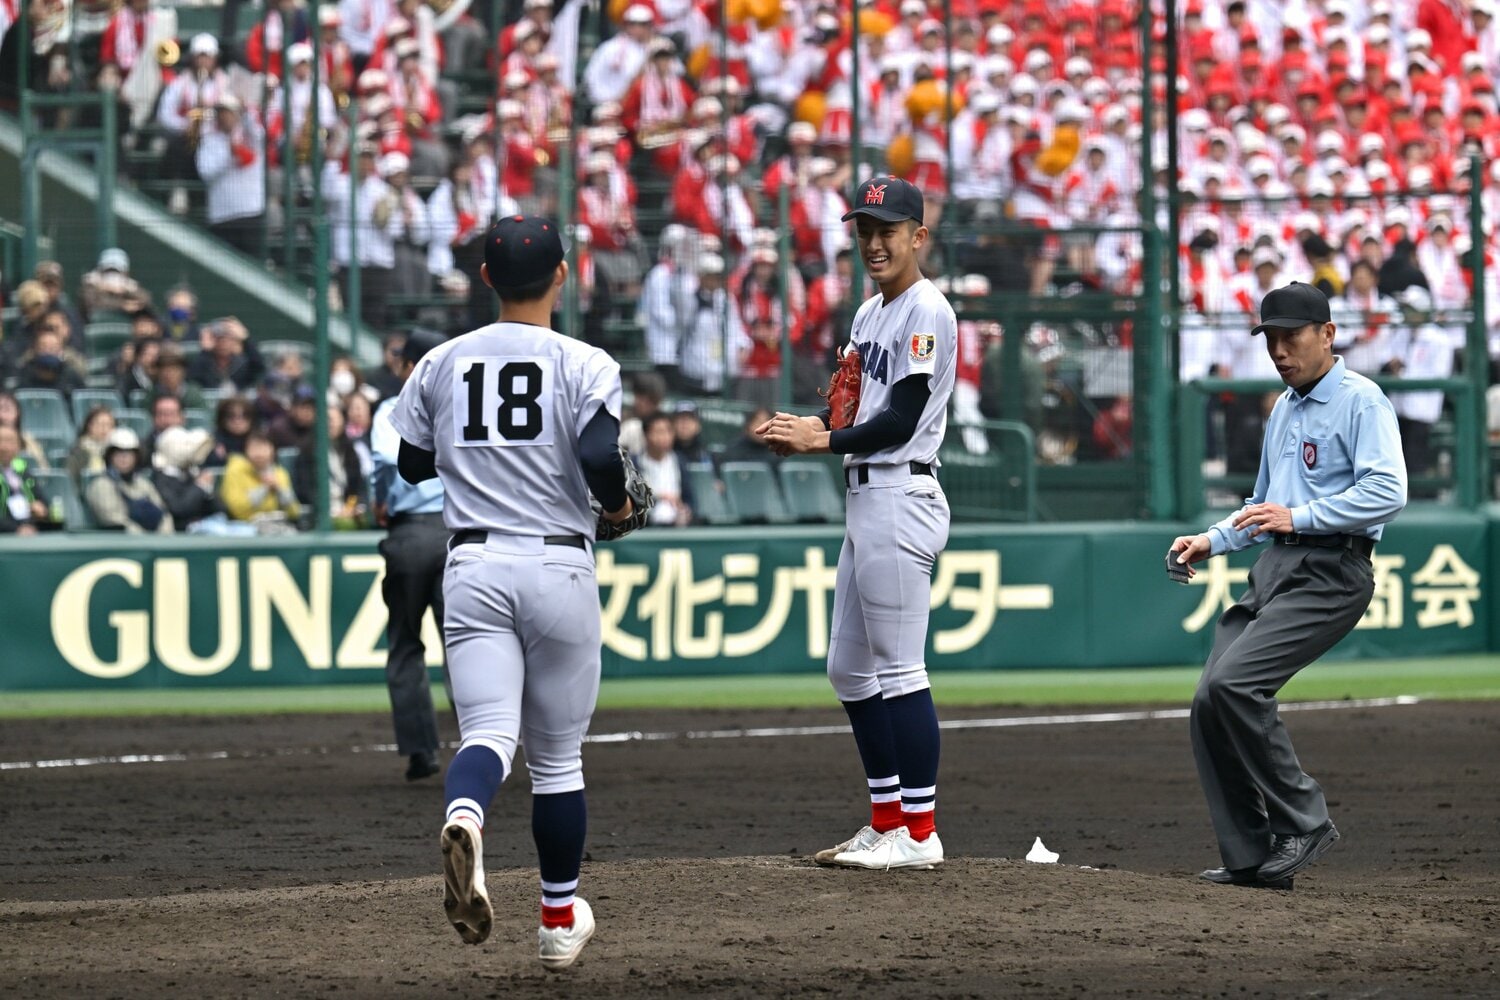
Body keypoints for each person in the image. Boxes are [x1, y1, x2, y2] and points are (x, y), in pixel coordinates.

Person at [390, 214, 639, 969]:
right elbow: (600, 453)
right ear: (563, 274)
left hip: (474, 564)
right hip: (558, 561)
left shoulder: (441, 361)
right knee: (557, 761)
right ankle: (558, 924)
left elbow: (409, 464)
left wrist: (478, 457)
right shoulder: (585, 361)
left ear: (486, 278)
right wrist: (616, 507)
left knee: (489, 736)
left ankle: (466, 814)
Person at [1169, 282, 1408, 891]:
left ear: (1327, 334)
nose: (1279, 350)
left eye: (1291, 336)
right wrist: (1211, 539)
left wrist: (1298, 517)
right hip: (1277, 566)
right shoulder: (1283, 408)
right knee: (1209, 702)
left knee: (1235, 684)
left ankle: (1304, 820)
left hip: (1333, 570)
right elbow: (1262, 505)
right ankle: (1250, 854)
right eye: (1270, 338)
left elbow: (1389, 490)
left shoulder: (1362, 400)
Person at [757, 177, 957, 871]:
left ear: (917, 237)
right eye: (865, 229)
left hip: (901, 491)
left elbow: (899, 419)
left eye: (888, 230)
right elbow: (852, 412)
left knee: (900, 669)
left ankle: (920, 833)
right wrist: (810, 425)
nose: (874, 242)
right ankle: (885, 821)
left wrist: (821, 442)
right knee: (849, 669)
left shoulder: (926, 309)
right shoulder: (871, 313)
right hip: (867, 497)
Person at [370, 329, 450, 782]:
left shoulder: (391, 409)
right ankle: (486, 743)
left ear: (406, 365)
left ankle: (422, 752)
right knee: (465, 644)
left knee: (405, 643)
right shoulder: (461, 405)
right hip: (458, 531)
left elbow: (386, 462)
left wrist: (380, 497)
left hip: (410, 532)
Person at [85, 427, 174, 534]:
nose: (124, 458)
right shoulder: (101, 485)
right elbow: (112, 519)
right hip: (120, 541)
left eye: (129, 453)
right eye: (118, 453)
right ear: (109, 456)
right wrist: (143, 538)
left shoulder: (144, 484)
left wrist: (164, 536)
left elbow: (163, 513)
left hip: (153, 540)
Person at [221, 430, 301, 526]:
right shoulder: (235, 470)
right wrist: (265, 489)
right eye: (254, 448)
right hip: (244, 527)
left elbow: (294, 512)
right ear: (246, 450)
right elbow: (237, 510)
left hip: (277, 525)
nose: (259, 453)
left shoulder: (279, 473)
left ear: (272, 450)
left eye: (263, 447)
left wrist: (279, 489)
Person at [633, 412, 693, 526]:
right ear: (646, 435)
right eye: (659, 432)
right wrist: (659, 497)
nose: (665, 437)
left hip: (678, 523)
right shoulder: (634, 463)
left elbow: (689, 497)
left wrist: (685, 509)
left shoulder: (679, 461)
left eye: (669, 431)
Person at [0, 425, 52, 535]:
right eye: (1, 440)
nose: (4, 446)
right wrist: (16, 529)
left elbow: (43, 501)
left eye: (10, 441)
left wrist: (41, 509)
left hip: (29, 530)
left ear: (18, 446)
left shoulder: (23, 471)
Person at [67, 406, 117, 486]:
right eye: (100, 424)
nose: (104, 429)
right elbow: (70, 479)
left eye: (109, 425)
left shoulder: (117, 452)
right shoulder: (78, 451)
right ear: (89, 426)